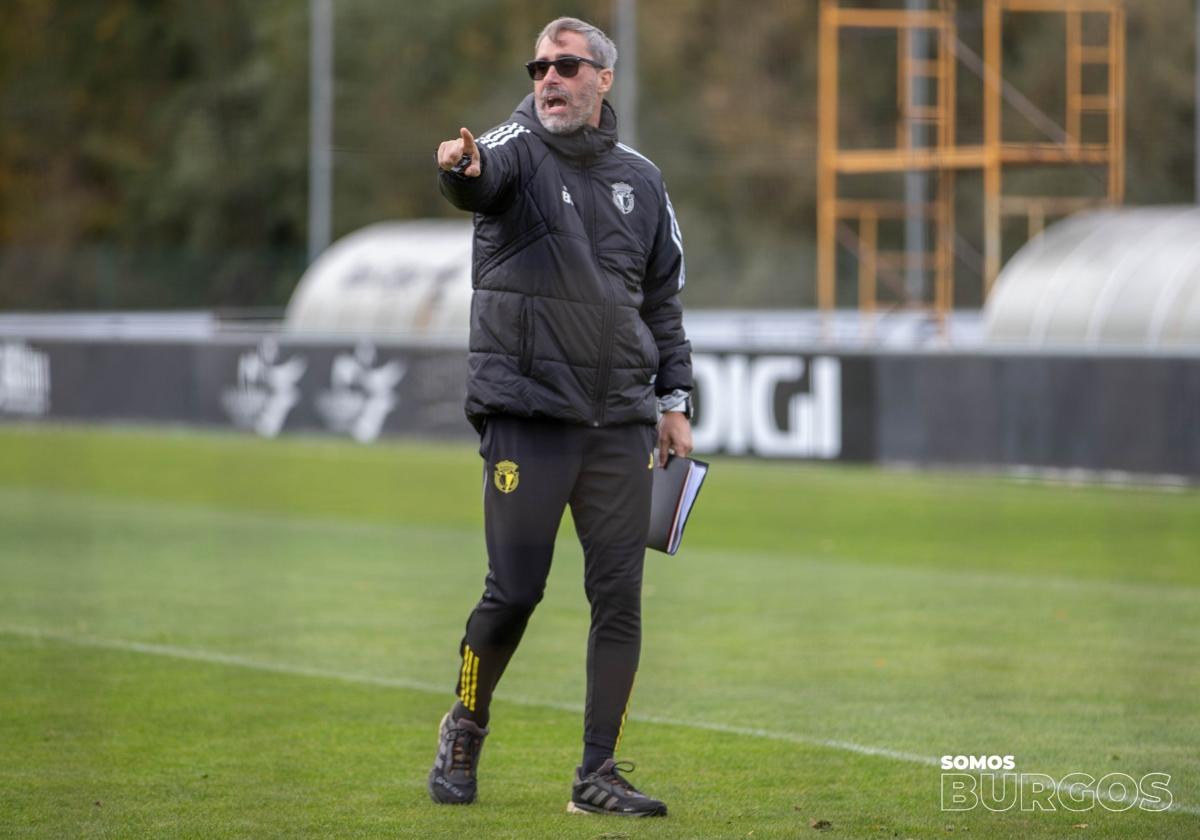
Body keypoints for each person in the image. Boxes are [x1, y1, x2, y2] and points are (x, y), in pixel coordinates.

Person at [428, 16, 693, 818]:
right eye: (540, 65)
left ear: (602, 79)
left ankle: (596, 775)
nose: (549, 77)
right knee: (514, 592)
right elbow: (479, 181)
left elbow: (662, 301)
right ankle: (466, 722)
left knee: (620, 599)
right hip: (529, 418)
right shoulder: (510, 145)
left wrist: (674, 402)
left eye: (567, 66)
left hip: (617, 424)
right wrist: (461, 171)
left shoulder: (642, 180)